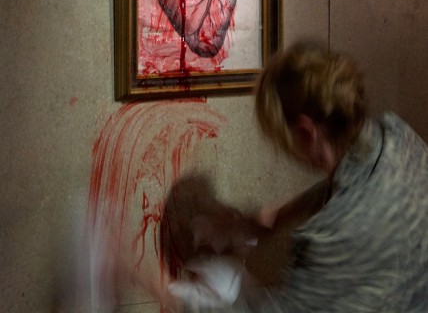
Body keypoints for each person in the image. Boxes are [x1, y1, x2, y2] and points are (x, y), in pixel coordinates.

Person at [162, 42, 428, 312]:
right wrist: (279, 216)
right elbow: (359, 179)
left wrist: (167, 292)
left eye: (284, 138)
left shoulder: (335, 235)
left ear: (304, 131)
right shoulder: (396, 134)